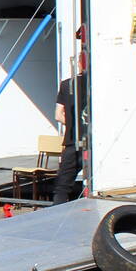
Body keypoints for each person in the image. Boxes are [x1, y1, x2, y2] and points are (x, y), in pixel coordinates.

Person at [52, 45, 88, 204]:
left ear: (79, 63)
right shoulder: (97, 85)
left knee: (62, 188)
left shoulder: (66, 85)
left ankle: (56, 217)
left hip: (72, 141)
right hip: (93, 143)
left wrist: (73, 122)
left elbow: (58, 115)